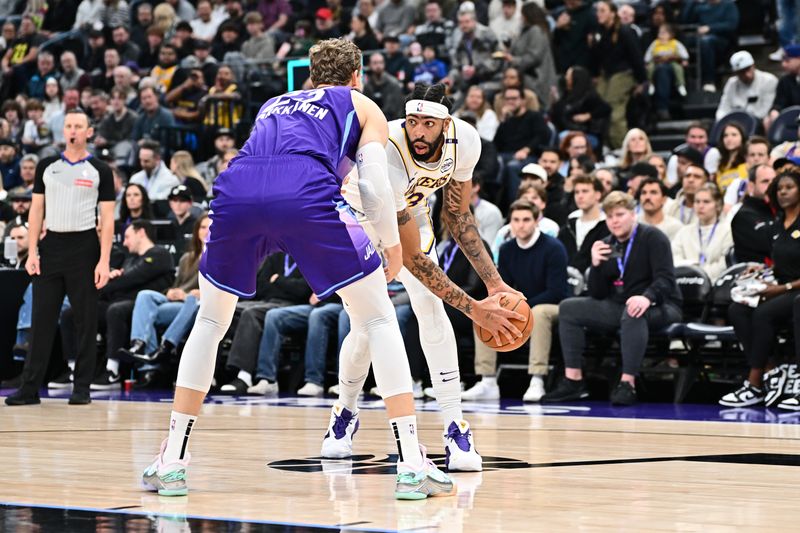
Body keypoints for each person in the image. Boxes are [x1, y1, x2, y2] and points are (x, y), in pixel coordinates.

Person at [141, 39, 496, 500]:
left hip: (236, 190)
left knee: (209, 320)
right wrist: (390, 246)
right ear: (357, 75)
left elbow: (263, 158)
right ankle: (412, 463)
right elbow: (370, 181)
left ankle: (172, 461)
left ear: (310, 76)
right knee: (378, 319)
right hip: (307, 194)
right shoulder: (360, 103)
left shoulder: (274, 102)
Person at [332, 82, 524, 472]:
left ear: (446, 123)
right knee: (367, 327)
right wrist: (476, 310)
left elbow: (457, 216)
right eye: (413, 121)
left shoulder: (466, 140)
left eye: (429, 124)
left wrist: (495, 284)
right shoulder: (387, 149)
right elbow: (412, 259)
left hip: (410, 216)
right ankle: (344, 412)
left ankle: (456, 426)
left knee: (430, 309)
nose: (419, 131)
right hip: (358, 222)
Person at [5, 109, 115, 406]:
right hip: (51, 245)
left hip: (85, 247)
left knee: (84, 320)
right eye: (68, 126)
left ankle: (82, 387)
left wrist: (104, 260)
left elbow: (107, 218)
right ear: (62, 130)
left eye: (79, 126)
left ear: (89, 132)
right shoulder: (47, 166)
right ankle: (30, 388)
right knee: (41, 319)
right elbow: (36, 210)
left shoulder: (99, 170)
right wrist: (32, 251)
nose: (73, 131)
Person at [543, 191, 683, 406]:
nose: (615, 221)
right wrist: (596, 266)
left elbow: (666, 279)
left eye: (620, 214)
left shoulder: (653, 237)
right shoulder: (605, 244)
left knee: (633, 311)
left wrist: (647, 297)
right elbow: (598, 294)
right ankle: (574, 380)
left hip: (662, 304)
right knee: (569, 308)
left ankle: (628, 383)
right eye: (610, 217)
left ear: (633, 214)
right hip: (620, 305)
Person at [463, 200, 570, 402]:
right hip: (521, 305)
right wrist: (505, 307)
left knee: (539, 312)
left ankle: (537, 378)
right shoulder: (506, 249)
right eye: (516, 220)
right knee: (484, 309)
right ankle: (487, 380)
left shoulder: (554, 248)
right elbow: (503, 287)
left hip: (553, 306)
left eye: (526, 220)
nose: (521, 225)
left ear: (537, 221)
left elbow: (556, 291)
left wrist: (522, 307)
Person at [720, 172, 800, 407]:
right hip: (780, 287)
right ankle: (771, 370)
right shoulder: (777, 224)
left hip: (793, 290)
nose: (783, 192)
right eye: (779, 188)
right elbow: (784, 262)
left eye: (789, 187)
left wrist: (781, 287)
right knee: (738, 309)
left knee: (765, 312)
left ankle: (754, 382)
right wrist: (759, 272)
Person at [85, 220, 175, 390]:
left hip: (149, 305)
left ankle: (113, 370)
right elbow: (124, 281)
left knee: (115, 310)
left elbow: (133, 278)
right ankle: (75, 367)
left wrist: (105, 284)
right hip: (124, 301)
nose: (124, 242)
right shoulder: (130, 259)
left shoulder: (160, 253)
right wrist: (111, 279)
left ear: (141, 233)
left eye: (127, 237)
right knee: (81, 310)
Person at [120, 215, 209, 369]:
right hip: (177, 305)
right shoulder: (187, 258)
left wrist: (192, 295)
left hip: (200, 306)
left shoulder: (223, 259)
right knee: (145, 296)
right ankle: (138, 345)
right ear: (196, 231)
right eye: (202, 227)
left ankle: (165, 347)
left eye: (210, 227)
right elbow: (176, 285)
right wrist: (171, 292)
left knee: (191, 301)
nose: (206, 231)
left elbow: (223, 291)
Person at [591, 0, 646, 149]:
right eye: (597, 11)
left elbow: (636, 56)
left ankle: (621, 148)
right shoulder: (599, 32)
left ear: (613, 13)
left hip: (624, 73)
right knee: (598, 105)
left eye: (602, 11)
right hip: (606, 74)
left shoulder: (625, 31)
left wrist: (642, 80)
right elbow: (596, 58)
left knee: (613, 109)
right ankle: (605, 145)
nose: (598, 14)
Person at [494, 85, 549, 207]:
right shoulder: (506, 120)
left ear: (522, 100)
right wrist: (502, 121)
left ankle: (516, 205)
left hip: (529, 156)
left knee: (513, 166)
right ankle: (495, 204)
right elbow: (496, 144)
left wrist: (526, 149)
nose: (511, 102)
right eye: (508, 99)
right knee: (494, 164)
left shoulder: (534, 116)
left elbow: (542, 136)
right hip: (506, 156)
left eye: (514, 98)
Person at [672, 183, 733, 280]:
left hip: (716, 283)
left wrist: (701, 274)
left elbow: (725, 262)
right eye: (697, 201)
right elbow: (675, 257)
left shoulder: (728, 231)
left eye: (706, 202)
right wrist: (692, 270)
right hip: (686, 281)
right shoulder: (684, 231)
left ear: (717, 205)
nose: (700, 206)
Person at [557, 175, 609, 274]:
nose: (580, 196)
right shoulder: (568, 226)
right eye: (577, 192)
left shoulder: (608, 226)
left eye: (585, 191)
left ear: (598, 195)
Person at [550, 66, 611, 148]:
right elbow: (559, 117)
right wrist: (555, 103)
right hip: (567, 131)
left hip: (587, 134)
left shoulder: (589, 96)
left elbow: (606, 108)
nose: (566, 78)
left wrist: (588, 115)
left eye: (568, 75)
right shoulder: (567, 95)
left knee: (563, 137)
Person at [731, 164, 777, 263]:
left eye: (774, 181)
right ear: (751, 187)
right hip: (756, 274)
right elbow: (772, 246)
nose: (771, 185)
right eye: (765, 181)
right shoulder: (744, 216)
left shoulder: (782, 210)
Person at [716, 51, 778, 121]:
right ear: (736, 73)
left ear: (753, 65)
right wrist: (723, 122)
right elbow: (723, 109)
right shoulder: (731, 83)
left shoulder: (769, 80)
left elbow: (765, 110)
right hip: (735, 123)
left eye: (748, 69)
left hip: (759, 121)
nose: (746, 74)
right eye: (741, 71)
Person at [645, 23, 689, 120]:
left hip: (672, 64)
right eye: (660, 33)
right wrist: (649, 62)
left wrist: (683, 60)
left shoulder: (675, 43)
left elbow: (684, 55)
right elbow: (648, 56)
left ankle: (680, 84)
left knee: (678, 68)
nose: (661, 35)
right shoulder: (655, 43)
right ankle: (650, 84)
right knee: (651, 68)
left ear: (671, 35)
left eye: (664, 33)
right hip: (657, 65)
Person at [715, 122, 748, 195]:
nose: (729, 139)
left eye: (734, 135)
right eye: (725, 135)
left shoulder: (748, 160)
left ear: (742, 138)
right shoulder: (720, 164)